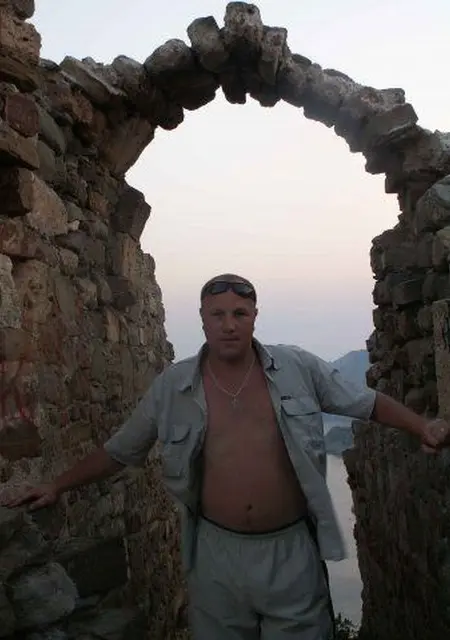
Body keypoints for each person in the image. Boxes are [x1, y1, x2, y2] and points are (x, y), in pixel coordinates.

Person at [3, 273, 450, 640]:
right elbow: (120, 450)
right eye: (217, 314)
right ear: (202, 320)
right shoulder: (173, 388)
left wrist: (423, 426)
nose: (229, 324)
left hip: (290, 549)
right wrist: (56, 485)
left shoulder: (297, 368)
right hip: (216, 553)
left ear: (255, 317)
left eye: (240, 313)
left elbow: (366, 403)